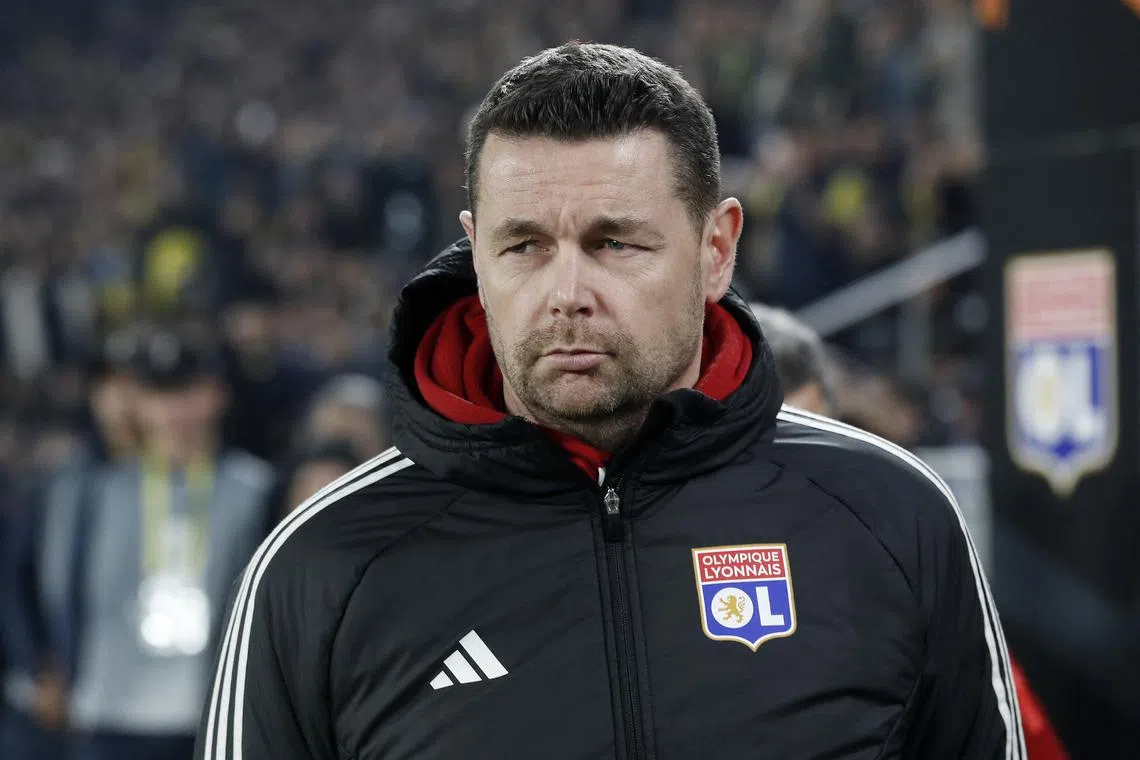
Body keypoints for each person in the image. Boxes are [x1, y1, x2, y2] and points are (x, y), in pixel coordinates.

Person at [197, 43, 1025, 759]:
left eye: (615, 242)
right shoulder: (322, 564)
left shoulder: (890, 513)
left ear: (716, 249)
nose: (567, 293)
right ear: (476, 254)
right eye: (525, 246)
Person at [753, 304, 1068, 760]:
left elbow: (1014, 729)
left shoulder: (904, 546)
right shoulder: (664, 552)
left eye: (811, 432)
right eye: (773, 439)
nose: (790, 467)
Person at [59, 328, 273, 760]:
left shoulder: (255, 489)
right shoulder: (96, 490)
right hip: (110, 712)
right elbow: (60, 588)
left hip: (215, 715)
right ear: (137, 403)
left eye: (188, 391)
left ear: (218, 395)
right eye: (159, 394)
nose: (175, 410)